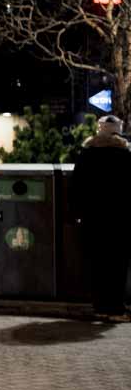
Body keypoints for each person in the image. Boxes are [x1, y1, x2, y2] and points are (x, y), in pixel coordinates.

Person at [72, 115, 131, 322]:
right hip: (119, 219)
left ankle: (100, 306)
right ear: (118, 131)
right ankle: (116, 309)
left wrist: (78, 213)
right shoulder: (124, 155)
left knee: (97, 263)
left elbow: (76, 186)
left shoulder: (86, 154)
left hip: (92, 219)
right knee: (117, 264)